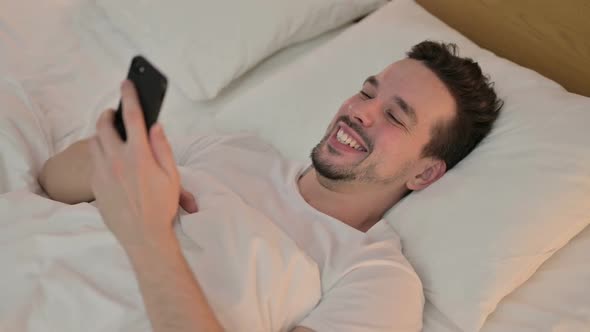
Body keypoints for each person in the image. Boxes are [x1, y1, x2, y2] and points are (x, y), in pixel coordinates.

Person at [38, 41, 503, 332]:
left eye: (395, 116)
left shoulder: (377, 279)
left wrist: (148, 233)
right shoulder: (234, 150)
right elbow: (53, 181)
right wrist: (115, 156)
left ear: (424, 173)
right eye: (366, 92)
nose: (361, 111)